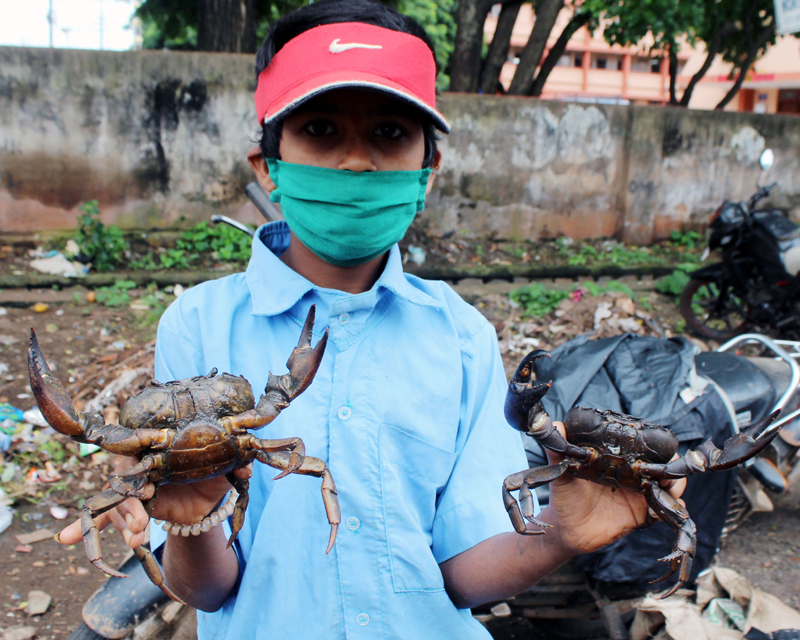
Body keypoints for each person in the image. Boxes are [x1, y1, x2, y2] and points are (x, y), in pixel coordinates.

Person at [57, 1, 684, 638]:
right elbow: (211, 590)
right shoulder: (198, 325)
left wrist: (559, 536)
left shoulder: (461, 335)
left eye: (389, 133)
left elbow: (462, 574)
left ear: (427, 170)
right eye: (322, 129)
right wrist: (194, 521)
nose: (356, 161)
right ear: (267, 166)